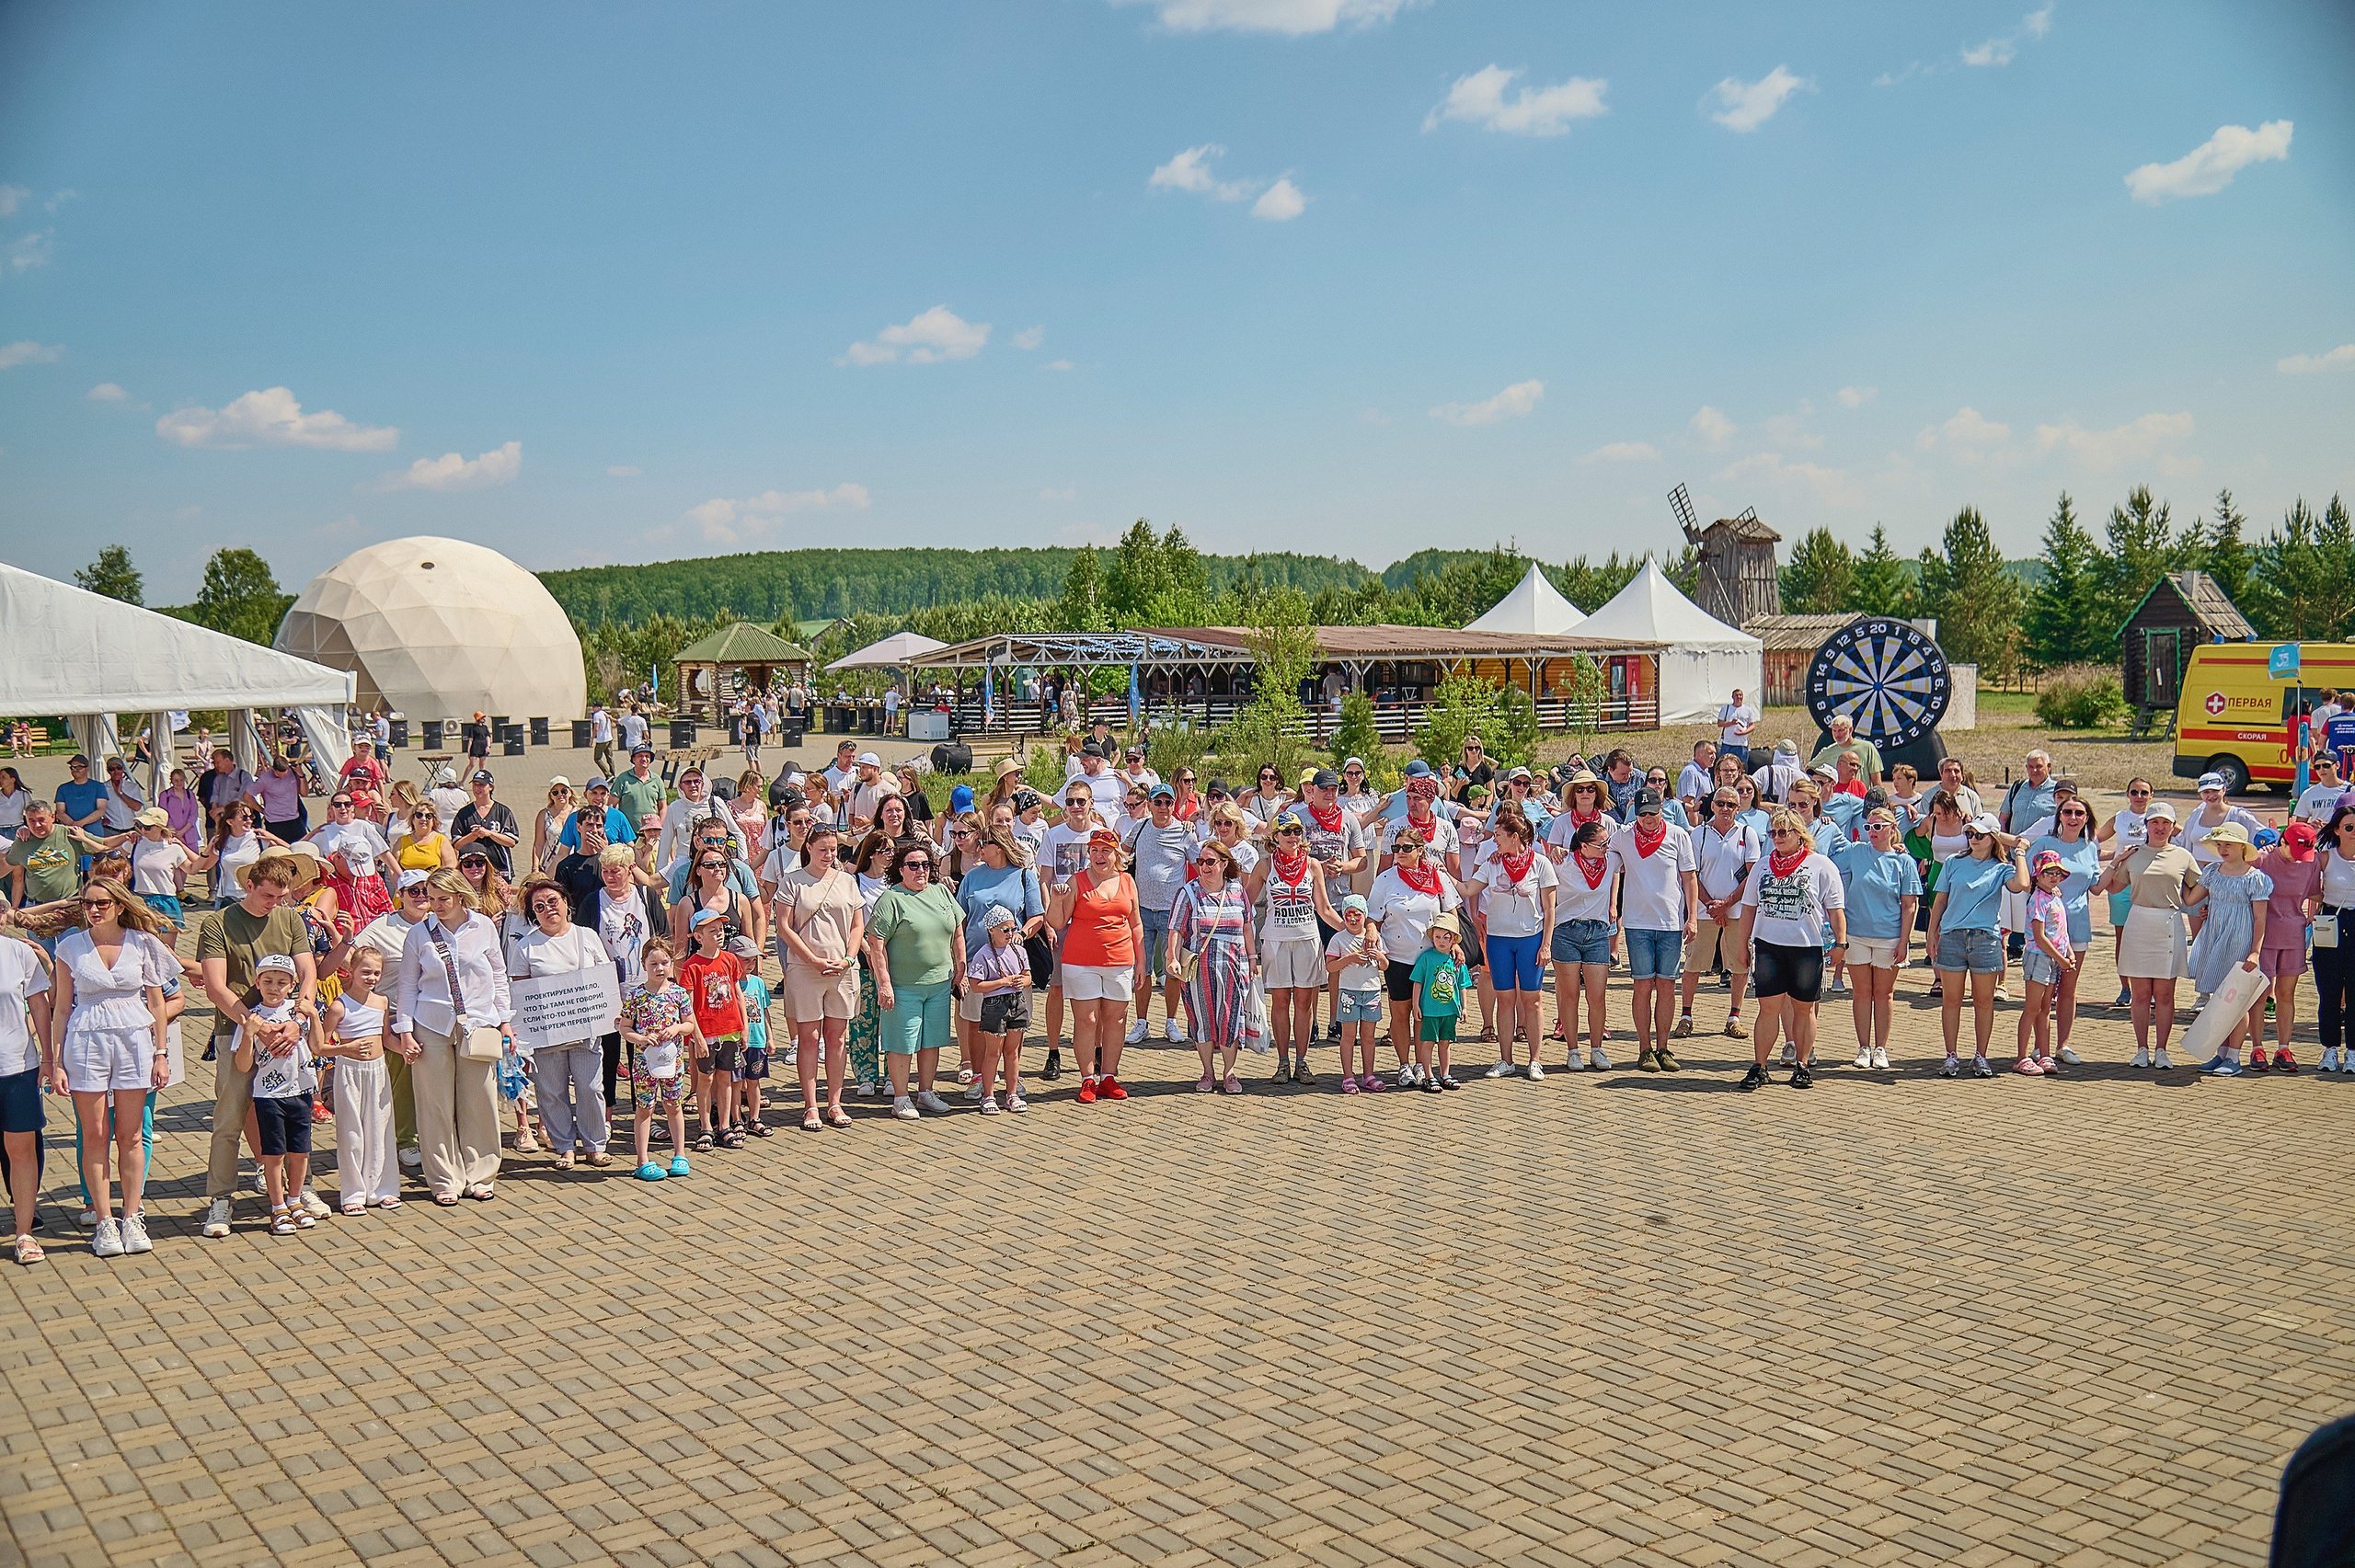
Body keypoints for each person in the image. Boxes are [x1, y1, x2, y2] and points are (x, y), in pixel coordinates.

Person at [196, 853, 321, 1237]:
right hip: (237, 1030)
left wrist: (299, 1021)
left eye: (281, 896)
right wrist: (255, 1025)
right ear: (249, 886)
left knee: (294, 1111)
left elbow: (308, 971)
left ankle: (300, 1192)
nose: (276, 904)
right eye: (268, 896)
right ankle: (220, 1199)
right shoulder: (218, 922)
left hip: (287, 1030)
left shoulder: (290, 917)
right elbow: (216, 987)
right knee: (230, 1117)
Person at [50, 877, 175, 1256]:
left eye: (102, 902)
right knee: (95, 1135)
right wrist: (55, 1062)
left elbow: (157, 1004)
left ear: (120, 905)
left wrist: (161, 1052)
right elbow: (60, 1008)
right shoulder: (69, 946)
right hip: (86, 1039)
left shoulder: (142, 942)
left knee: (132, 1134)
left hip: (135, 1038)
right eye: (88, 902)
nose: (94, 909)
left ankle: (132, 1215)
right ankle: (104, 1222)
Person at [392, 867, 511, 1205]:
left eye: (443, 898)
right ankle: (445, 1178)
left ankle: (481, 1173)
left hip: (479, 1022)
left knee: (479, 1101)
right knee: (434, 1106)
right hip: (430, 1023)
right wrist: (405, 1031)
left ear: (460, 895)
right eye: (431, 899)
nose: (435, 905)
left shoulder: (483, 926)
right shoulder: (419, 934)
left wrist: (505, 1021)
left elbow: (499, 975)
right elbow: (406, 984)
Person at [1734, 810, 1846, 1090]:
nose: (1777, 838)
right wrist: (1742, 945)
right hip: (1769, 946)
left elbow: (1835, 910)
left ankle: (1802, 1064)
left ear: (1799, 834)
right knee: (1767, 1008)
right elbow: (1749, 909)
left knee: (1803, 1009)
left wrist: (1841, 943)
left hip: (1806, 947)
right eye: (1773, 833)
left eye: (1783, 832)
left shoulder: (1821, 865)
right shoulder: (1762, 866)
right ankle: (1760, 1066)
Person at [508, 876, 614, 1168]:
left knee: (590, 1088)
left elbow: (603, 980)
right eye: (539, 906)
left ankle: (595, 1145)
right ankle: (564, 1146)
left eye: (552, 901)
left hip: (586, 1031)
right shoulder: (526, 946)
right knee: (551, 1092)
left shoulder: (586, 937)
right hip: (546, 1035)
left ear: (566, 903)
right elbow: (520, 993)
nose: (547, 909)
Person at [2094, 803, 2204, 1069]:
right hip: (2139, 922)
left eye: (2165, 823)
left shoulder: (2183, 856)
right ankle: (2141, 1048)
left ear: (2172, 826)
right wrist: (2116, 861)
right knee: (2141, 994)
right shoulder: (2133, 855)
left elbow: (2193, 891)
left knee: (2165, 995)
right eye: (2155, 822)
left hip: (2169, 923)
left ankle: (2162, 1050)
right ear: (2146, 825)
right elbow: (2111, 887)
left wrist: (2207, 903)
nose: (2160, 827)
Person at [773, 823, 865, 1129]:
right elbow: (783, 927)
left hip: (841, 970)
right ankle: (810, 1105)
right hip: (804, 968)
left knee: (838, 1038)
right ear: (809, 848)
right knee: (809, 1039)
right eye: (822, 849)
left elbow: (856, 925)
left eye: (833, 849)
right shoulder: (792, 881)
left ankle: (835, 1103)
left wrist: (850, 958)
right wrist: (811, 959)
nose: (828, 855)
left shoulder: (848, 881)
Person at [867, 840, 966, 1119]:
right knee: (902, 1042)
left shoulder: (941, 893)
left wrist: (961, 967)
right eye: (913, 865)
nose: (920, 870)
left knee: (931, 1040)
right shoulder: (891, 899)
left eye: (925, 864)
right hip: (903, 986)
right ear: (901, 869)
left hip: (939, 984)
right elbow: (876, 944)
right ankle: (900, 1097)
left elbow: (957, 932)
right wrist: (883, 983)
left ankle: (926, 1092)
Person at [1928, 817, 2029, 1076]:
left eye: (1980, 835)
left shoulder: (2001, 867)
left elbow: (2023, 884)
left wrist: (2019, 851)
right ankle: (1951, 1056)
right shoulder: (1953, 862)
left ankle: (1980, 1056)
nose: (1973, 838)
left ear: (1993, 838)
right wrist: (1932, 933)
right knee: (1951, 1000)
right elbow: (1940, 901)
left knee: (1984, 1001)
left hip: (1986, 939)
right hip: (1952, 936)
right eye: (1970, 833)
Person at [1248, 811, 1343, 1084]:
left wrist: (1352, 932)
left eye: (1297, 831)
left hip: (1307, 939)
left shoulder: (1313, 865)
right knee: (1280, 1002)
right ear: (1275, 837)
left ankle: (1302, 1062)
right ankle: (1282, 1063)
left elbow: (1324, 909)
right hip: (1276, 940)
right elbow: (1246, 903)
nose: (1292, 836)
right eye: (1286, 831)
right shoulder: (1265, 865)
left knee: (1304, 1003)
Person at [1051, 827, 1143, 1104]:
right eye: (1094, 851)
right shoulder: (1076, 881)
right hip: (1081, 961)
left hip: (1120, 960)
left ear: (1116, 854)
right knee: (1087, 1020)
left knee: (1116, 1019)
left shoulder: (1127, 881)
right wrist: (1056, 901)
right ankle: (1087, 1078)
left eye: (1106, 850)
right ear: (1088, 854)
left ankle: (1109, 1077)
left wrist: (1141, 962)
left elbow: (1136, 924)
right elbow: (1057, 921)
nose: (1099, 856)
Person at [1609, 790, 1699, 1071]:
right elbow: (1599, 849)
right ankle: (1644, 1048)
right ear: (1635, 812)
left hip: (1671, 923)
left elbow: (1689, 878)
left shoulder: (1678, 835)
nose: (1648, 819)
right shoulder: (1623, 836)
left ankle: (1664, 1048)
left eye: (1653, 812)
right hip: (1637, 924)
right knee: (1642, 986)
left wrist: (1693, 916)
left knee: (1667, 987)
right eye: (1643, 813)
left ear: (1662, 809)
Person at [1365, 825, 1461, 1088]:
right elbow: (1372, 917)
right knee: (1400, 1013)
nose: (1400, 853)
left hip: (1429, 958)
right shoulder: (1386, 879)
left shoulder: (1437, 876)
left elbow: (1451, 912)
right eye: (1396, 848)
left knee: (1424, 1015)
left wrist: (1455, 943)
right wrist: (1371, 930)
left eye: (1407, 848)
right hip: (1397, 957)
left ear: (1421, 850)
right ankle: (1404, 1064)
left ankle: (1423, 1064)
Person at [228, 954, 316, 1237]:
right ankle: (278, 1206)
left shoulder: (298, 1012)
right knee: (273, 1155)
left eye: (281, 982)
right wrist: (247, 1034)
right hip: (268, 1095)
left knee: (300, 1152)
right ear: (257, 982)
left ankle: (295, 1200)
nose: (274, 987)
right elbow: (243, 1065)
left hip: (301, 1090)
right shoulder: (252, 1017)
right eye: (268, 981)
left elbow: (318, 1045)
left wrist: (311, 1015)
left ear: (292, 985)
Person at [1465, 807, 1557, 1080]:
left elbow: (1550, 909)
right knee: (1504, 1000)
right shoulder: (1492, 863)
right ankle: (1506, 1060)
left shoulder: (1541, 864)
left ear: (1515, 837)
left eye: (1499, 835)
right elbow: (1469, 889)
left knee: (1533, 1001)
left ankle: (1535, 1060)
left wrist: (1546, 945)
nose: (1494, 841)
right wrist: (1440, 873)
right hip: (1498, 940)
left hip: (1531, 938)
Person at [1828, 808, 1919, 1071]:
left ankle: (1881, 1048)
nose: (1873, 833)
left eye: (1879, 827)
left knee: (1884, 994)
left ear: (1892, 828)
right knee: (1861, 992)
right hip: (1856, 933)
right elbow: (1826, 858)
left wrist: (1904, 941)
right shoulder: (1856, 852)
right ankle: (1863, 1047)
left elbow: (1909, 906)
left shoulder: (1904, 862)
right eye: (1869, 827)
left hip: (1889, 936)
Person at [1169, 838, 1257, 1093]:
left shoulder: (1238, 891)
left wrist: (1252, 960)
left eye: (1210, 862)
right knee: (1202, 1019)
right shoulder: (1188, 892)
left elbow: (1248, 927)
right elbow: (1176, 930)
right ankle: (1207, 1071)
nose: (1204, 867)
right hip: (1199, 969)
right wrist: (1172, 958)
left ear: (1223, 863)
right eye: (1200, 862)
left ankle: (1229, 1072)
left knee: (1229, 1018)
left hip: (1233, 966)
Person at [2185, 825, 2272, 1076]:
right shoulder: (2212, 871)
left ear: (2242, 847)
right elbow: (2192, 899)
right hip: (2215, 937)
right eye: (2220, 845)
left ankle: (2234, 1058)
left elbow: (2260, 919)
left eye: (2228, 845)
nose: (2222, 849)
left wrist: (2254, 951)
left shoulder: (2255, 878)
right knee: (2219, 1000)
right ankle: (2221, 1053)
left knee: (2238, 1002)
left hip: (2239, 940)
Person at [319, 947, 398, 1211]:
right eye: (365, 972)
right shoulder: (339, 1006)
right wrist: (346, 1049)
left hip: (378, 1071)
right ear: (350, 972)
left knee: (381, 1128)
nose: (372, 978)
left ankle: (382, 1189)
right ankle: (353, 1193)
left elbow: (386, 1038)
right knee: (352, 1132)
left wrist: (407, 1049)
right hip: (349, 1072)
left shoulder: (382, 1002)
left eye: (376, 973)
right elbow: (318, 1046)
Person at [2024, 795, 2100, 1067]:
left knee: (2068, 988)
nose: (2073, 817)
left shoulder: (2091, 846)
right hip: (2044, 930)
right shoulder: (2045, 843)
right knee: (2043, 992)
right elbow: (2025, 876)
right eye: (2067, 812)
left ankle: (2063, 1045)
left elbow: (2097, 886)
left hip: (2076, 926)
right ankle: (2038, 1047)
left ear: (2086, 818)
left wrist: (2121, 863)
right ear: (2059, 816)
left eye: (2079, 813)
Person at [1678, 787, 1759, 1043]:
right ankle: (1686, 1016)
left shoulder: (1748, 833)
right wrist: (1712, 905)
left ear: (1739, 808)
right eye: (1721, 803)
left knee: (1739, 965)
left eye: (1731, 805)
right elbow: (1690, 875)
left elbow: (1751, 874)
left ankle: (1734, 1017)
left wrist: (1727, 904)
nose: (1726, 809)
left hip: (1737, 913)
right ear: (1712, 806)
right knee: (1692, 965)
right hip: (1703, 912)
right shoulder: (1698, 835)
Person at [618, 938, 696, 1180]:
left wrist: (677, 1029)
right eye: (653, 963)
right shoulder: (636, 996)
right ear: (644, 965)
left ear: (672, 963)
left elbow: (690, 1023)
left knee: (673, 1105)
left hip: (672, 1063)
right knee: (645, 1107)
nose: (659, 968)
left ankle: (680, 1154)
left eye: (664, 962)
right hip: (644, 1065)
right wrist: (640, 1039)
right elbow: (624, 1028)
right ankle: (643, 1160)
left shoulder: (679, 994)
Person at [1, 930, 54, 1264]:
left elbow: (40, 1005)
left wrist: (49, 1057)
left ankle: (24, 1234)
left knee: (21, 1151)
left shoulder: (18, 952)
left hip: (16, 1066)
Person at [677, 910, 751, 1149]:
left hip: (729, 1029)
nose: (718, 934)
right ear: (698, 937)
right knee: (705, 1079)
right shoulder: (691, 967)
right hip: (705, 1032)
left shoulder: (729, 959)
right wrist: (695, 1036)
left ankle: (725, 1126)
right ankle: (705, 1126)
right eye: (712, 931)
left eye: (720, 930)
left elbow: (738, 994)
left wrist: (744, 1026)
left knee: (726, 1077)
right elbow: (687, 1005)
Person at [2261, 822, 2321, 1070]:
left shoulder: (2312, 861)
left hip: (2294, 935)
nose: (2300, 859)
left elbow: (2317, 894)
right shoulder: (2262, 860)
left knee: (2287, 994)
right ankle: (2257, 1048)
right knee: (2260, 994)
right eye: (2295, 852)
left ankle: (2283, 1048)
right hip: (2263, 935)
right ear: (2282, 843)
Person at [2013, 851, 2077, 1076]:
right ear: (2037, 876)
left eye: (2057, 873)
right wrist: (2061, 959)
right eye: (2048, 872)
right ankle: (2021, 1057)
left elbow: (2062, 932)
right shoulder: (2038, 900)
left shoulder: (2055, 897)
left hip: (2054, 959)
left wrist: (2067, 952)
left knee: (2045, 1008)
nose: (2053, 877)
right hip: (2039, 957)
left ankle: (2045, 1052)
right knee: (2032, 1007)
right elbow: (2040, 936)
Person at [961, 906, 1031, 1113]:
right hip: (994, 1005)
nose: (1010, 934)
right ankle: (988, 1095)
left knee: (1012, 1052)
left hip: (1017, 1002)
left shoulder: (1019, 950)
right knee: (993, 1053)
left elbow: (1028, 976)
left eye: (1013, 929)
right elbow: (976, 985)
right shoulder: (983, 954)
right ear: (991, 930)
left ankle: (1012, 1094)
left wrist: (1022, 982)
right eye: (1005, 930)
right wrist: (1003, 982)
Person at [1408, 912, 1471, 1092]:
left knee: (1445, 1043)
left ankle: (1445, 1074)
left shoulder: (1457, 961)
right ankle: (1429, 1076)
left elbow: (1462, 985)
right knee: (1428, 1043)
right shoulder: (1426, 958)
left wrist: (1465, 1007)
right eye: (1437, 937)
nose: (1441, 941)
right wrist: (1415, 1005)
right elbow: (1417, 982)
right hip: (1430, 1011)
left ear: (1453, 940)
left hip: (1450, 1011)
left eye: (1446, 937)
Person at [452, 771, 521, 880]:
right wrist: (473, 835)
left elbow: (511, 842)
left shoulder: (502, 811)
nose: (477, 788)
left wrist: (489, 833)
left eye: (482, 784)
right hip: (472, 870)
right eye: (475, 784)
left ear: (491, 787)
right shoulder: (464, 813)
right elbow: (457, 845)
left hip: (499, 868)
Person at [1808, 712, 1883, 784]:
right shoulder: (1827, 751)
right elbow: (1809, 769)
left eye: (1841, 730)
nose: (1837, 735)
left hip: (1861, 795)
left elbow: (1876, 780)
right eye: (1834, 731)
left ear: (1850, 730)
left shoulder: (1868, 748)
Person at [1717, 688, 1761, 768]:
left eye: (1740, 695)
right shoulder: (1726, 708)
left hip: (1741, 744)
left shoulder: (1748, 710)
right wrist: (1731, 723)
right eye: (1736, 695)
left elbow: (1752, 725)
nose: (1739, 697)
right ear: (1733, 697)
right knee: (1725, 766)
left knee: (1741, 766)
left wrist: (1744, 732)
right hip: (1728, 743)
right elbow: (1720, 723)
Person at [591, 703, 616, 778]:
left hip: (601, 740)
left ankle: (608, 774)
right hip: (609, 738)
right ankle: (613, 774)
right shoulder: (605, 713)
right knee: (610, 757)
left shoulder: (596, 715)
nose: (593, 708)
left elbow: (596, 728)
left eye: (594, 706)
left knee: (597, 758)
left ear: (599, 707)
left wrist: (592, 739)